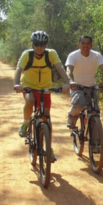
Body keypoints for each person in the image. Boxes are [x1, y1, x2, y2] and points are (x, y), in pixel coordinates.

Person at [14, 31, 71, 162]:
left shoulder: (51, 54)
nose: (39, 47)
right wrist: (17, 84)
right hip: (29, 86)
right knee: (29, 100)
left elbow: (60, 68)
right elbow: (19, 69)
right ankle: (25, 122)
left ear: (46, 45)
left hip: (45, 89)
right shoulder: (27, 55)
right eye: (37, 44)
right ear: (32, 44)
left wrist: (67, 82)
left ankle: (49, 147)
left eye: (42, 44)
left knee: (46, 119)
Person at [65, 35, 103, 128]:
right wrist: (71, 81)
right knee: (79, 104)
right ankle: (72, 116)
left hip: (92, 87)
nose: (86, 46)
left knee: (95, 111)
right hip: (77, 87)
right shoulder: (73, 56)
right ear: (79, 45)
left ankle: (95, 136)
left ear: (91, 45)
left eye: (88, 43)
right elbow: (69, 70)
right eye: (83, 43)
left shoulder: (96, 55)